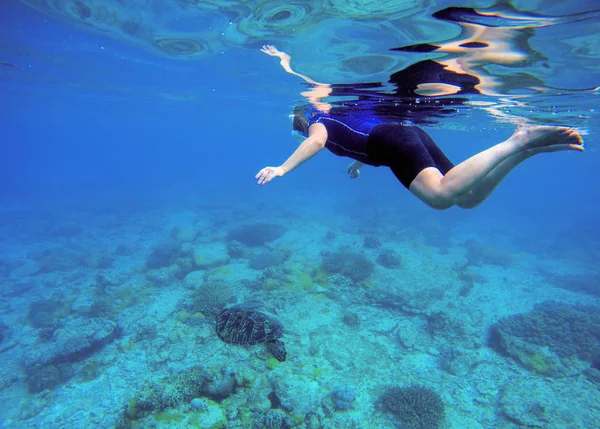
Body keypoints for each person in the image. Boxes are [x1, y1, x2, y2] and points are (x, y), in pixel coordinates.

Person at [255, 45, 584, 210]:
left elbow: (316, 142)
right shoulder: (336, 117)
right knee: (466, 199)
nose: (302, 129)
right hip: (405, 135)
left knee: (441, 197)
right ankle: (525, 148)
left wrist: (283, 169)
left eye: (299, 124)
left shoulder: (319, 120)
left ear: (302, 119)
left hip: (396, 141)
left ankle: (518, 141)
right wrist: (359, 163)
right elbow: (364, 134)